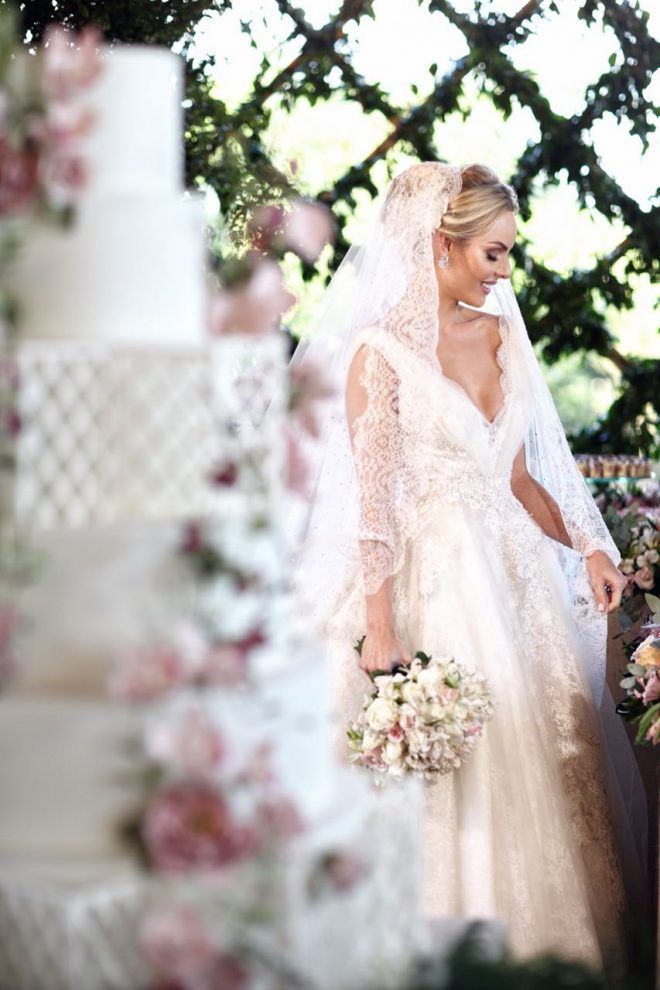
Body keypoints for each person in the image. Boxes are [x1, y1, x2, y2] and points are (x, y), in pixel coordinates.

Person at [285, 161, 650, 977]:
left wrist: (589, 545)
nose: (505, 272)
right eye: (494, 253)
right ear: (439, 244)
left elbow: (518, 478)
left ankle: (540, 954)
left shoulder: (500, 337)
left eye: (508, 252)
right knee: (445, 771)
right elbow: (374, 505)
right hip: (433, 586)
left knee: (539, 762)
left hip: (516, 587)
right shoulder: (377, 354)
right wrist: (380, 627)